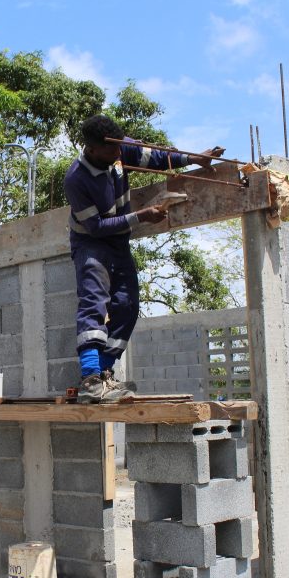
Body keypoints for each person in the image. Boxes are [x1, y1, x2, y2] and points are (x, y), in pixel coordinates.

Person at [64, 114, 222, 403]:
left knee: (127, 305)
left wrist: (195, 159)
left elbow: (159, 157)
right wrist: (142, 216)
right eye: (111, 150)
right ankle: (90, 380)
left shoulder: (119, 147)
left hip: (118, 242)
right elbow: (96, 227)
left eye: (120, 148)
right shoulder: (76, 179)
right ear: (92, 148)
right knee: (94, 302)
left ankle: (105, 376)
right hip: (91, 243)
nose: (118, 154)